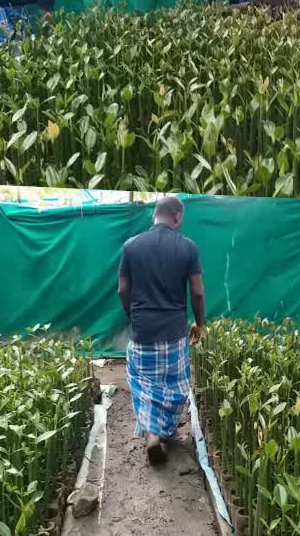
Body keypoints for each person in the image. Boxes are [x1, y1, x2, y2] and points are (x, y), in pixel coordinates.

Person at [118, 196, 205, 467]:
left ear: (154, 215)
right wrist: (199, 323)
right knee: (173, 386)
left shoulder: (131, 246)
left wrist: (133, 317)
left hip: (143, 331)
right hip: (174, 332)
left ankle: (152, 435)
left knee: (143, 386)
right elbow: (198, 292)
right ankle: (164, 430)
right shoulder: (188, 247)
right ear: (178, 216)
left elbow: (122, 289)